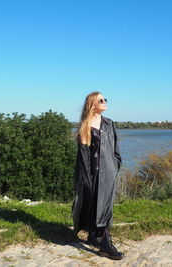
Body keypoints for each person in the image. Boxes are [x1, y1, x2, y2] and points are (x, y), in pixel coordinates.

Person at [72, 91, 124, 260]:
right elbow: (83, 156)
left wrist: (116, 164)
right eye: (101, 100)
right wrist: (86, 178)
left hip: (108, 173)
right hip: (92, 174)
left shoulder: (109, 123)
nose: (105, 102)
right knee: (95, 206)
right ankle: (99, 239)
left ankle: (104, 241)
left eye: (105, 99)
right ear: (93, 105)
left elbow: (115, 147)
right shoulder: (85, 126)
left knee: (106, 208)